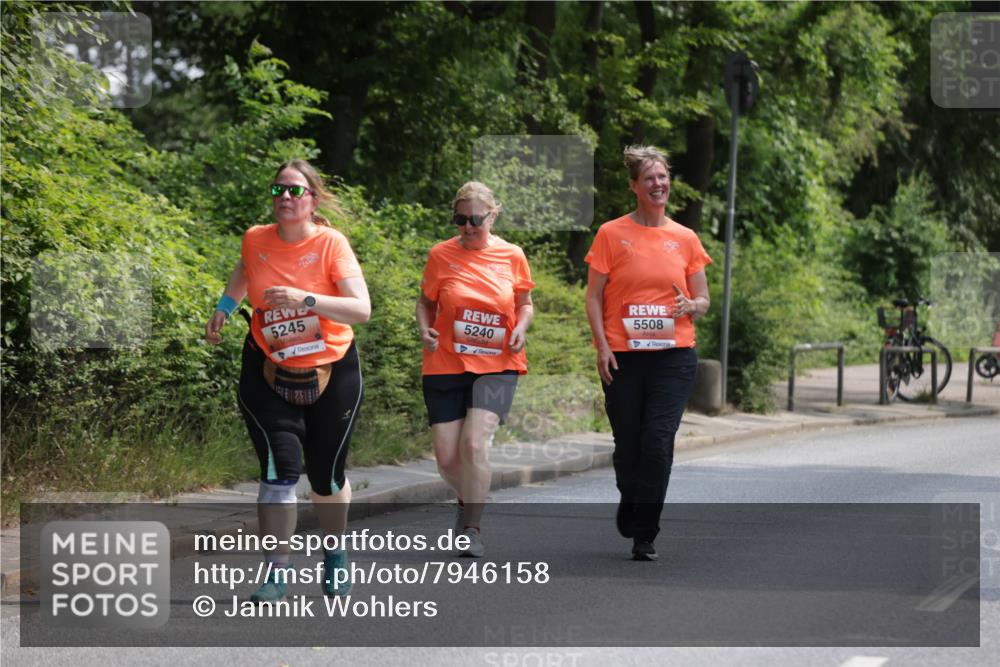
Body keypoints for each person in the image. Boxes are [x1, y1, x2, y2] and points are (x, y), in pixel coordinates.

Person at [204, 159, 370, 600]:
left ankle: (334, 554)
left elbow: (361, 309)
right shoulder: (255, 238)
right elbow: (245, 269)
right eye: (278, 189)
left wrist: (305, 299)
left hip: (333, 369)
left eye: (295, 190)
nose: (285, 197)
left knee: (326, 478)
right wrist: (224, 306)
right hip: (267, 365)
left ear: (313, 200)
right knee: (278, 470)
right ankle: (276, 571)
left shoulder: (331, 243)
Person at [584, 145, 711, 561]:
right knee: (629, 446)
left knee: (657, 442)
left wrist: (691, 306)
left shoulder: (685, 238)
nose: (658, 184)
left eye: (662, 177)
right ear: (634, 186)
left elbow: (703, 299)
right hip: (623, 355)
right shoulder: (611, 233)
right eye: (649, 178)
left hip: (674, 356)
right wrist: (602, 346)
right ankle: (631, 495)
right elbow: (594, 296)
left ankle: (645, 532)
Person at [415, 181, 534, 558]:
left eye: (475, 220)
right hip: (445, 362)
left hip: (498, 363)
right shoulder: (441, 254)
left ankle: (472, 528)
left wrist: (521, 327)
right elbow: (425, 302)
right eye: (460, 219)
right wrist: (424, 329)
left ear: (492, 216)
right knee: (447, 458)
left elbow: (525, 303)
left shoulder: (512, 255)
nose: (467, 227)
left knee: (473, 444)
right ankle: (468, 499)